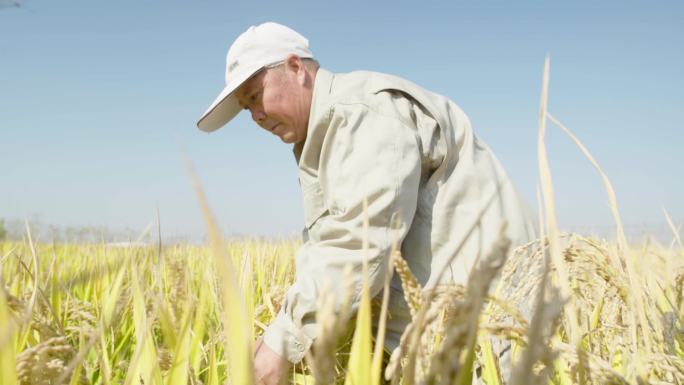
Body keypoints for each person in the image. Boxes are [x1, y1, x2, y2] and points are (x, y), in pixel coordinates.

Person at [197, 22, 536, 385]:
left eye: (255, 96)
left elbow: (360, 243)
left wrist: (282, 342)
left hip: (483, 337)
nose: (256, 117)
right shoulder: (321, 137)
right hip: (432, 344)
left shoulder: (363, 113)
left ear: (296, 68)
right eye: (247, 108)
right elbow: (326, 246)